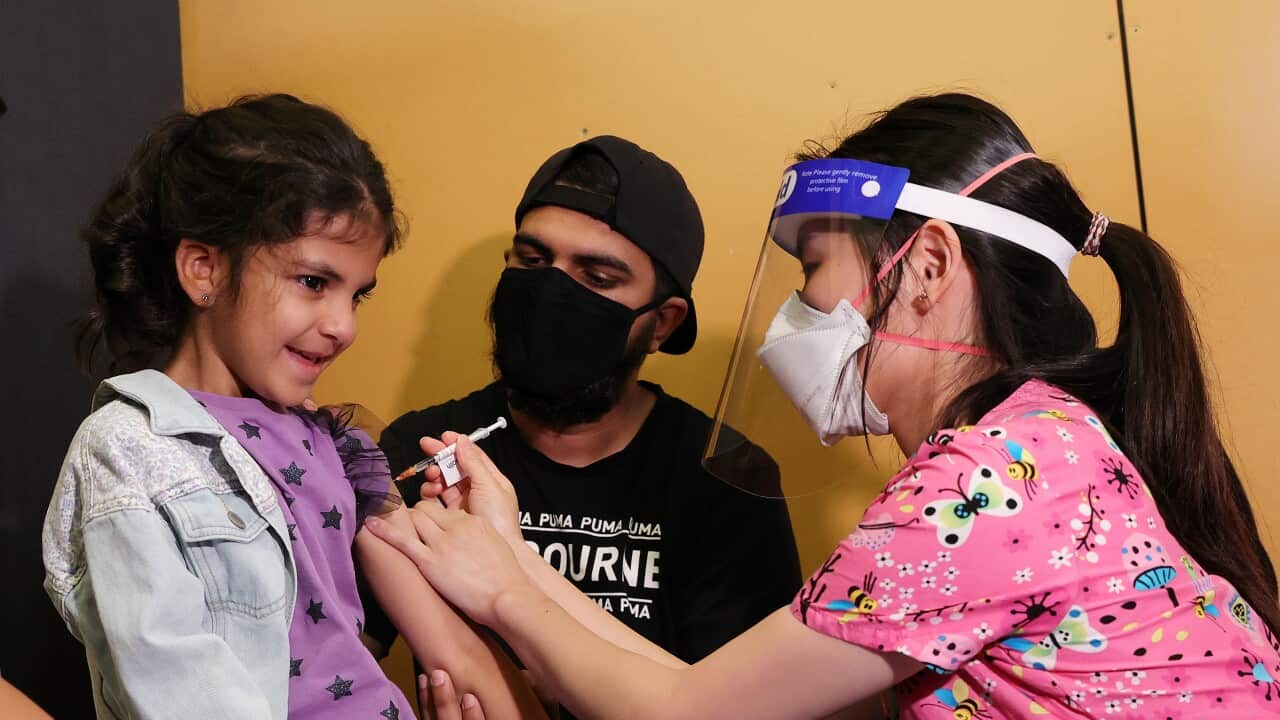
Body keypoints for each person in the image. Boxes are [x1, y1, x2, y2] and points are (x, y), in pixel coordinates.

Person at [364, 93, 1280, 719]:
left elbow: (686, 713)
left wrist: (497, 584)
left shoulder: (989, 486)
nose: (795, 312)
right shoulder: (1038, 443)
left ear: (924, 267)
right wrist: (517, 564)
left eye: (811, 272)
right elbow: (710, 691)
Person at [41, 94, 541, 718]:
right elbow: (176, 692)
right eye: (313, 282)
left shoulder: (340, 444)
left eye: (358, 295)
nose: (343, 327)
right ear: (204, 270)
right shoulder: (126, 447)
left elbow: (455, 652)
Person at [369, 136, 801, 669]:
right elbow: (328, 664)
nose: (550, 291)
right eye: (532, 259)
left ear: (662, 322)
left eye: (596, 278)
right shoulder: (427, 450)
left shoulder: (727, 476)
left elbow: (742, 700)